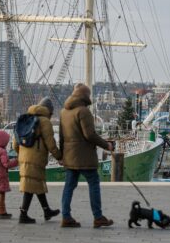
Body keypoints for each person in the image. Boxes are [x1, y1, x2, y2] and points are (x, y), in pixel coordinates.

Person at [59, 83, 114, 228]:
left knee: (69, 186)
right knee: (94, 183)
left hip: (69, 156)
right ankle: (98, 216)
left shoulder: (64, 112)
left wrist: (60, 155)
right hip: (84, 156)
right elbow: (90, 135)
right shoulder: (83, 112)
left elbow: (61, 136)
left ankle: (66, 216)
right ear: (85, 96)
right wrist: (106, 145)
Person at [13, 97, 63, 224]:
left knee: (36, 183)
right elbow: (51, 144)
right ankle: (23, 214)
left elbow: (15, 143)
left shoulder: (26, 118)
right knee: (31, 186)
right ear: (49, 111)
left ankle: (47, 211)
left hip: (24, 157)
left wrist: (22, 154)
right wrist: (59, 157)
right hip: (36, 158)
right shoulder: (45, 121)